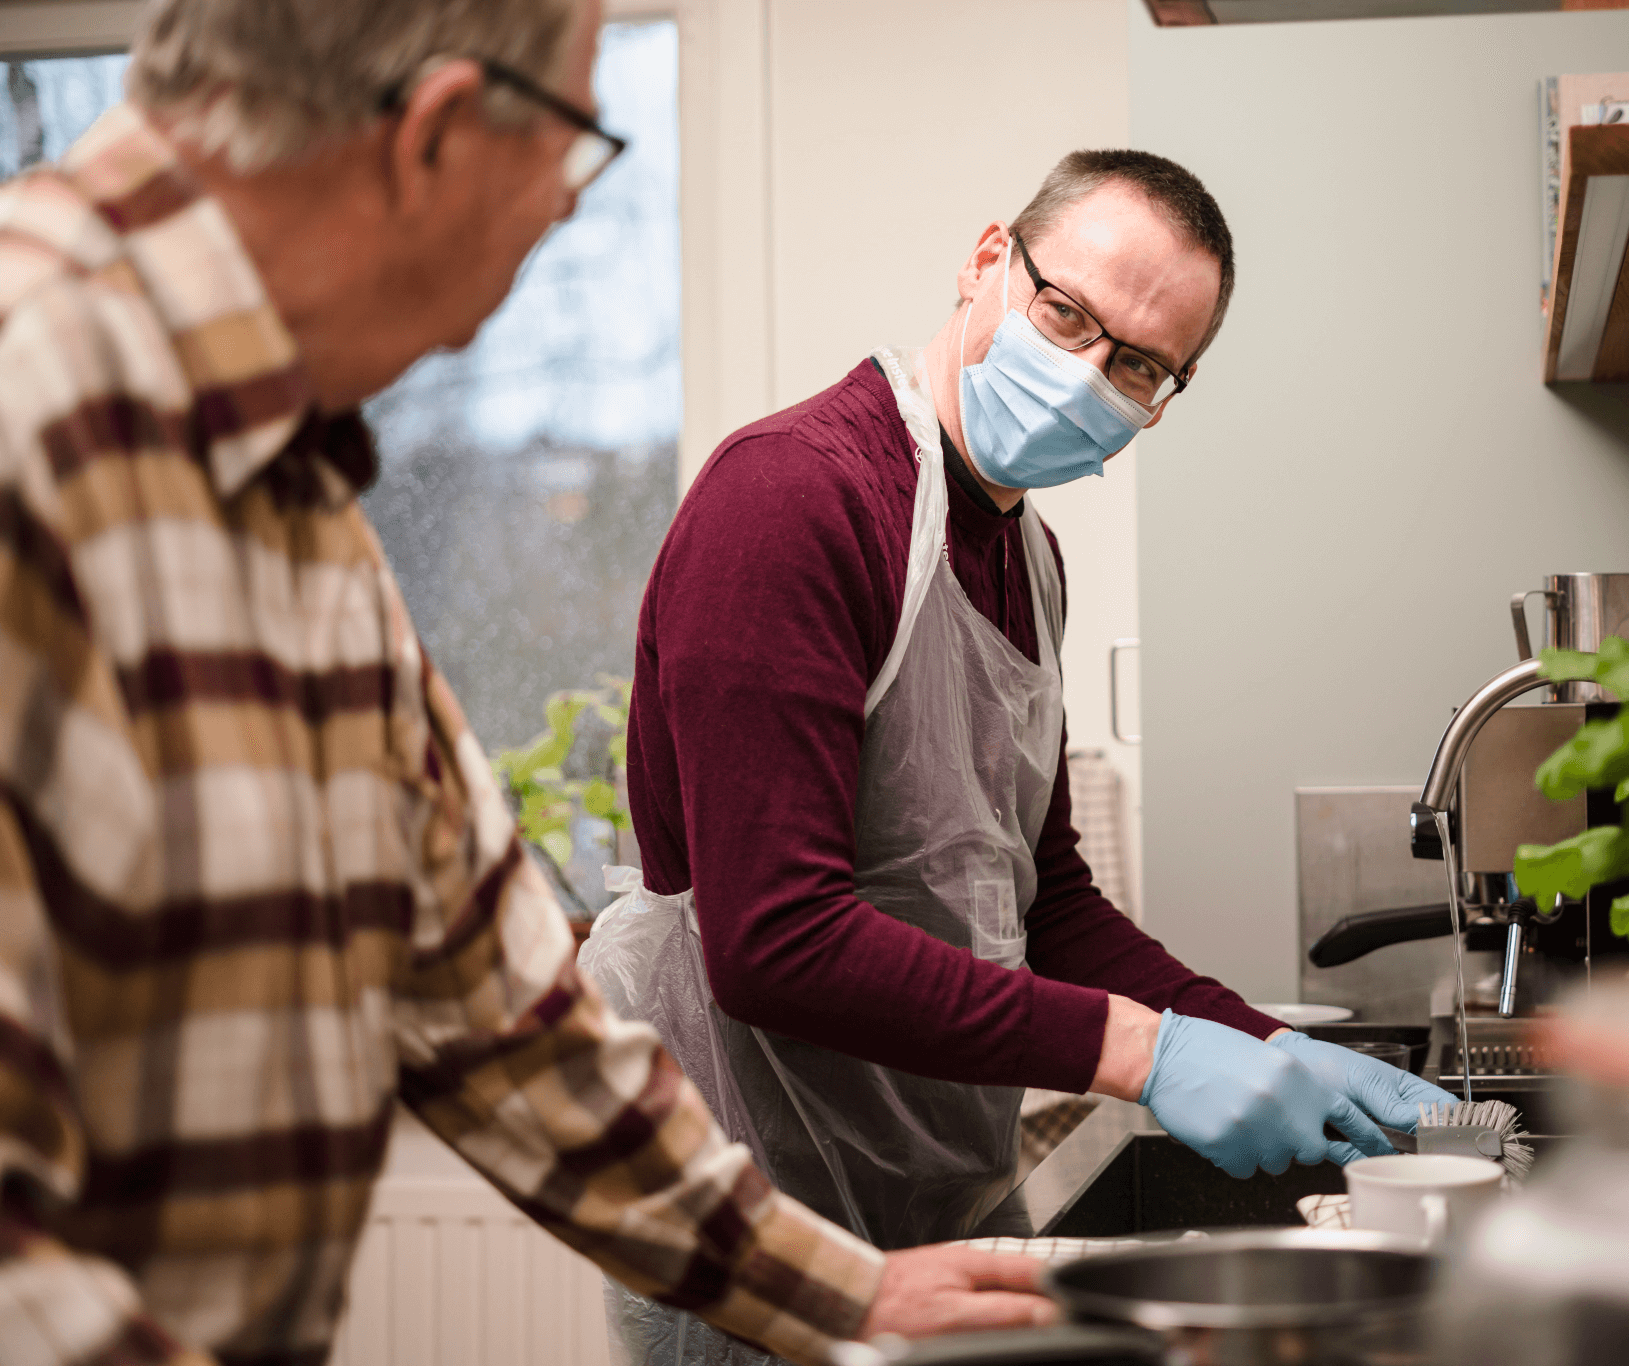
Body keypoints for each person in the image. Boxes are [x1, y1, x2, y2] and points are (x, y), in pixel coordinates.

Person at [0, 1, 1057, 1362]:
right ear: (435, 132)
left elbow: (493, 1010)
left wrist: (834, 1290)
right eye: (575, 145)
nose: (566, 211)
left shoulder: (281, 479)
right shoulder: (40, 415)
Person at [622, 150, 1456, 1289]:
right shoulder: (789, 499)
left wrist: (1279, 1051)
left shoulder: (1030, 556)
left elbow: (1044, 896)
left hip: (926, 1193)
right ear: (984, 263)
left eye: (1137, 366)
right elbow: (773, 945)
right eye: (1064, 313)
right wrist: (1144, 1052)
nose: (1085, 373)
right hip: (750, 1225)